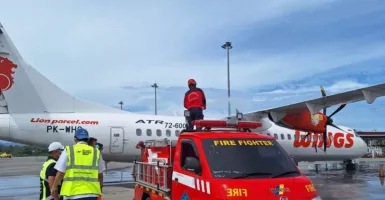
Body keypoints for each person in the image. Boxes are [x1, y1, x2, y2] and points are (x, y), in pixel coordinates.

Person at [51, 128, 105, 200]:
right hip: (92, 194)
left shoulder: (69, 150)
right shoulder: (96, 152)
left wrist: (54, 187)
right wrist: (99, 188)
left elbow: (60, 172)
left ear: (75, 139)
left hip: (72, 193)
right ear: (87, 139)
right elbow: (100, 175)